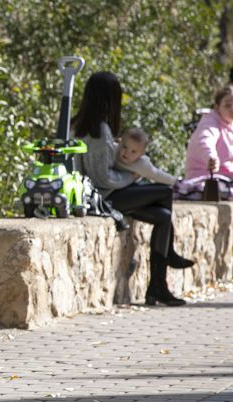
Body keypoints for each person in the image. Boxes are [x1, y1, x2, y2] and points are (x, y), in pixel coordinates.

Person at [72, 71, 194, 307]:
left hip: (106, 194)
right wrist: (132, 176)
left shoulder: (81, 124)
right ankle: (167, 259)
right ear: (109, 98)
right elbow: (103, 179)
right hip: (103, 197)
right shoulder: (98, 130)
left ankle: (156, 288)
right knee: (165, 192)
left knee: (163, 217)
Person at [184, 85, 233, 181]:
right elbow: (205, 140)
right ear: (217, 107)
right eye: (227, 105)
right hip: (204, 180)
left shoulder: (229, 124)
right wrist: (211, 157)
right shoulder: (210, 123)